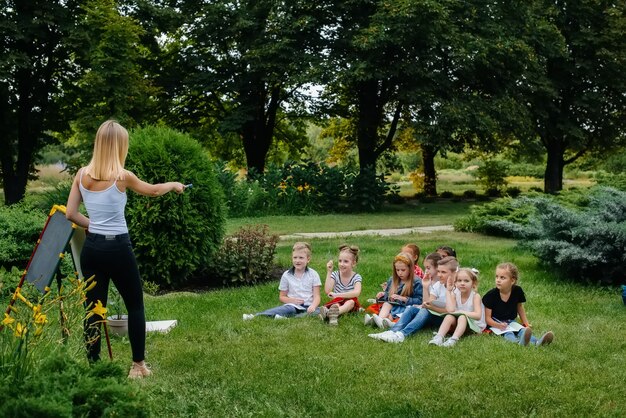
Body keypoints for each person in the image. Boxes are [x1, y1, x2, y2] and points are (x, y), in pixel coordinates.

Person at [65, 120, 185, 379]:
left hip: (93, 249)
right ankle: (138, 366)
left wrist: (92, 225)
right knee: (135, 305)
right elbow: (152, 191)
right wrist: (174, 184)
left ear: (98, 143)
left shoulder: (81, 174)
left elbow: (71, 214)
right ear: (120, 146)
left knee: (94, 307)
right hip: (118, 247)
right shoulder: (123, 176)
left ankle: (94, 366)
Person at [369, 254, 455, 343]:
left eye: (443, 272)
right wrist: (425, 287)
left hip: (444, 318)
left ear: (454, 273)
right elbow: (427, 302)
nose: (439, 274)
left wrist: (429, 307)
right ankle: (392, 331)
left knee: (425, 310)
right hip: (434, 313)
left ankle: (402, 334)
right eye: (439, 272)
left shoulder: (455, 288)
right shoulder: (438, 285)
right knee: (411, 309)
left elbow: (450, 311)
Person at [243, 242, 321, 321]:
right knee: (286, 310)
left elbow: (317, 296)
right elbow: (282, 297)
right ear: (292, 258)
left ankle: (287, 318)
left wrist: (313, 306)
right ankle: (255, 316)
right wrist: (292, 300)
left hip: (309, 306)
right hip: (292, 306)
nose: (297, 260)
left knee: (319, 311)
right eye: (295, 257)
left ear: (308, 259)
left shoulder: (313, 274)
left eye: (301, 258)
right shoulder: (286, 275)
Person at [483, 262, 554, 346]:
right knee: (508, 333)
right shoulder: (491, 295)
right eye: (497, 276)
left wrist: (526, 324)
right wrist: (498, 325)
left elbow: (520, 307)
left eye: (502, 278)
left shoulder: (517, 291)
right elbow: (487, 318)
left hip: (511, 322)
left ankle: (538, 342)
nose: (498, 280)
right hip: (495, 323)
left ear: (512, 280)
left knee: (523, 330)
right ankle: (518, 343)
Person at [428, 268, 486, 347]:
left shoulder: (475, 296)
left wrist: (461, 312)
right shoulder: (455, 294)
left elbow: (478, 316)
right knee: (449, 316)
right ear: (455, 283)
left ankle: (453, 340)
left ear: (473, 283)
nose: (462, 283)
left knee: (462, 317)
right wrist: (448, 291)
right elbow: (450, 310)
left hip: (474, 326)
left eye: (466, 281)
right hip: (460, 324)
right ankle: (439, 337)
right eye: (459, 280)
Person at [365, 252, 423, 329]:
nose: (400, 273)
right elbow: (388, 296)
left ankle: (378, 321)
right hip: (393, 305)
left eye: (403, 270)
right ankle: (379, 319)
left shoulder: (416, 282)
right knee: (386, 304)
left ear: (410, 268)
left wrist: (404, 299)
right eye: (397, 270)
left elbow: (420, 300)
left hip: (406, 307)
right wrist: (383, 295)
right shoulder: (392, 280)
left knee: (392, 316)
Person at [319, 244, 362, 326]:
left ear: (353, 263)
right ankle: (333, 316)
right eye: (340, 261)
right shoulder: (335, 274)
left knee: (350, 302)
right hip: (338, 301)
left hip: (350, 302)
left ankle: (329, 313)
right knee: (336, 304)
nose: (341, 264)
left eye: (345, 261)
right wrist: (329, 272)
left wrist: (337, 294)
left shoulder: (356, 277)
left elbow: (357, 292)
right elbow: (327, 290)